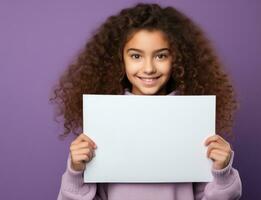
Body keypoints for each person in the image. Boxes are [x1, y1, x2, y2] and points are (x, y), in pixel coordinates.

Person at [50, 3, 242, 200]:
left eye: (161, 56)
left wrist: (221, 173)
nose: (149, 68)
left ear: (177, 59)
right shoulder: (103, 118)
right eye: (136, 56)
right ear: (120, 59)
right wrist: (76, 172)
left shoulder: (192, 118)